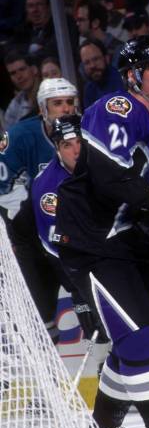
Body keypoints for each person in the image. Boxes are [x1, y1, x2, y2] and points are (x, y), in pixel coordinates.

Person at [54, 36, 149, 428]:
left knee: (132, 340)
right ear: (132, 77)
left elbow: (148, 198)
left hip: (122, 240)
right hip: (91, 240)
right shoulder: (118, 108)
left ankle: (102, 423)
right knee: (142, 335)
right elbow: (110, 175)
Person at [11, 114, 108, 363]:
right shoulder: (49, 187)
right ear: (56, 148)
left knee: (107, 321)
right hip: (41, 252)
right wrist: (83, 285)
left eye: (79, 142)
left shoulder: (102, 163)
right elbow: (59, 246)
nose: (76, 150)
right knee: (68, 319)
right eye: (67, 145)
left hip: (82, 248)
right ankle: (46, 392)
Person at [0, 77, 79, 343]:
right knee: (41, 322)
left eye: (69, 102)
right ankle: (50, 379)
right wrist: (12, 226)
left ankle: (108, 370)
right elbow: (2, 186)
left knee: (91, 312)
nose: (66, 108)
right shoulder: (20, 136)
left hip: (73, 239)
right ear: (42, 109)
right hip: (32, 240)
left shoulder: (87, 134)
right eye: (57, 103)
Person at [79, 38, 124, 108]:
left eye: (96, 59)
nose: (92, 66)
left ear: (107, 58)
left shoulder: (123, 81)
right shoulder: (88, 89)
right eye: (87, 63)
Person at [4, 51, 40, 129]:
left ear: (34, 69)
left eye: (22, 69)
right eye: (13, 73)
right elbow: (6, 138)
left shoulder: (49, 95)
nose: (19, 76)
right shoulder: (15, 104)